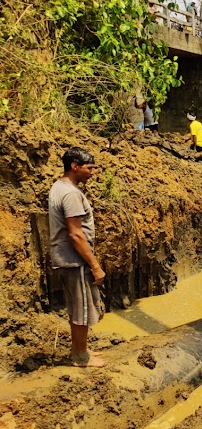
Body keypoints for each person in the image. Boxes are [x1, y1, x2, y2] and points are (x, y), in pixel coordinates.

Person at [48, 148, 106, 368]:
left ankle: (80, 349)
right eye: (89, 168)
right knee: (82, 309)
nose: (93, 172)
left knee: (77, 307)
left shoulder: (59, 187)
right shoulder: (71, 194)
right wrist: (95, 265)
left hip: (65, 258)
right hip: (74, 260)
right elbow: (75, 233)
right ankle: (80, 357)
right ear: (75, 166)